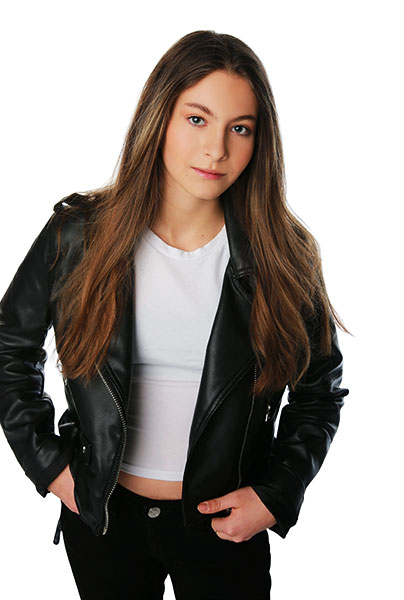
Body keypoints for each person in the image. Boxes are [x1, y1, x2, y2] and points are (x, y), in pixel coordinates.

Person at [0, 30, 349, 600]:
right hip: (104, 519)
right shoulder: (78, 235)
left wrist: (276, 493)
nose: (217, 150)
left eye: (240, 128)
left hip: (223, 524)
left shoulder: (282, 255)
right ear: (158, 117)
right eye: (197, 119)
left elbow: (319, 390)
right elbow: (9, 350)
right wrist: (51, 470)